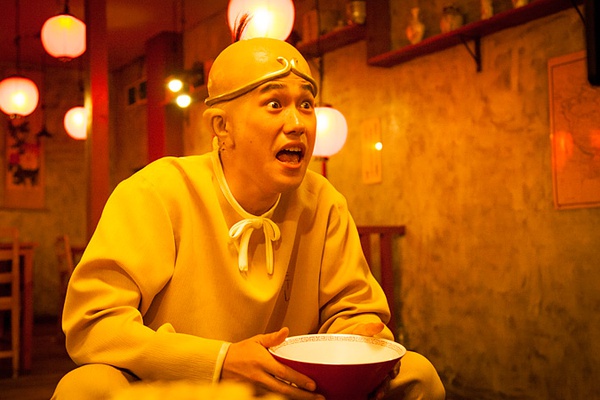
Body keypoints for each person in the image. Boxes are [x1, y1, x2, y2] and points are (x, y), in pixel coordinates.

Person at [52, 37, 445, 400]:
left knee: (418, 374)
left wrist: (356, 341)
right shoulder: (156, 192)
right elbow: (95, 324)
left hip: (289, 387)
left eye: (305, 104)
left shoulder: (323, 201)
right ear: (222, 126)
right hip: (178, 388)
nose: (297, 123)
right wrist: (220, 361)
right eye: (275, 104)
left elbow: (354, 310)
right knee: (83, 388)